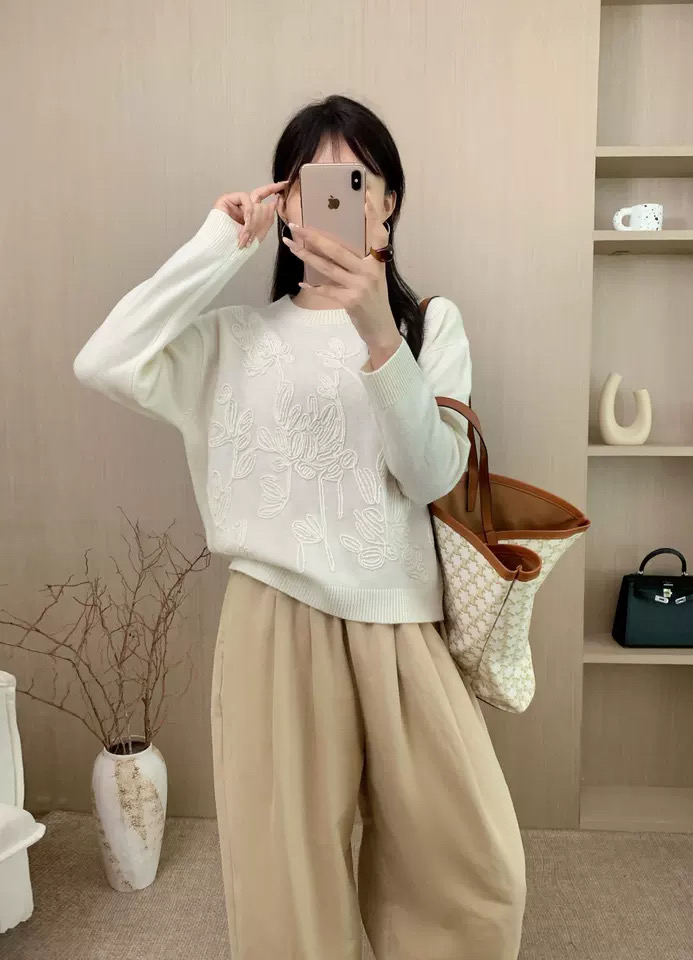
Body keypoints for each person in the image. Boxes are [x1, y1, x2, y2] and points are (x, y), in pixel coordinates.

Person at [74, 94, 526, 960]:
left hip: (402, 627)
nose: (338, 199)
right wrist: (219, 242)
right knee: (288, 887)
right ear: (285, 203)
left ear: (388, 202)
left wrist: (377, 332)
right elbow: (104, 360)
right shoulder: (234, 339)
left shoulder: (431, 325)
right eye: (313, 183)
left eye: (358, 181)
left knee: (471, 872)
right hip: (272, 625)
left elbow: (432, 475)